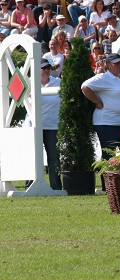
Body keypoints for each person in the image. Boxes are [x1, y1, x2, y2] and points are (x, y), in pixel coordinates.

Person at [81, 53, 120, 187]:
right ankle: (107, 185)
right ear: (108, 65)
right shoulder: (103, 77)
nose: (119, 66)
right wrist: (97, 101)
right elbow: (85, 87)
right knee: (109, 153)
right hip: (106, 122)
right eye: (115, 63)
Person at [38, 58, 63, 190]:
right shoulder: (30, 83)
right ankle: (30, 184)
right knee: (34, 158)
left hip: (53, 126)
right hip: (35, 127)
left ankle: (56, 186)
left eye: (48, 68)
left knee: (54, 158)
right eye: (44, 68)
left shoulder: (58, 82)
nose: (47, 70)